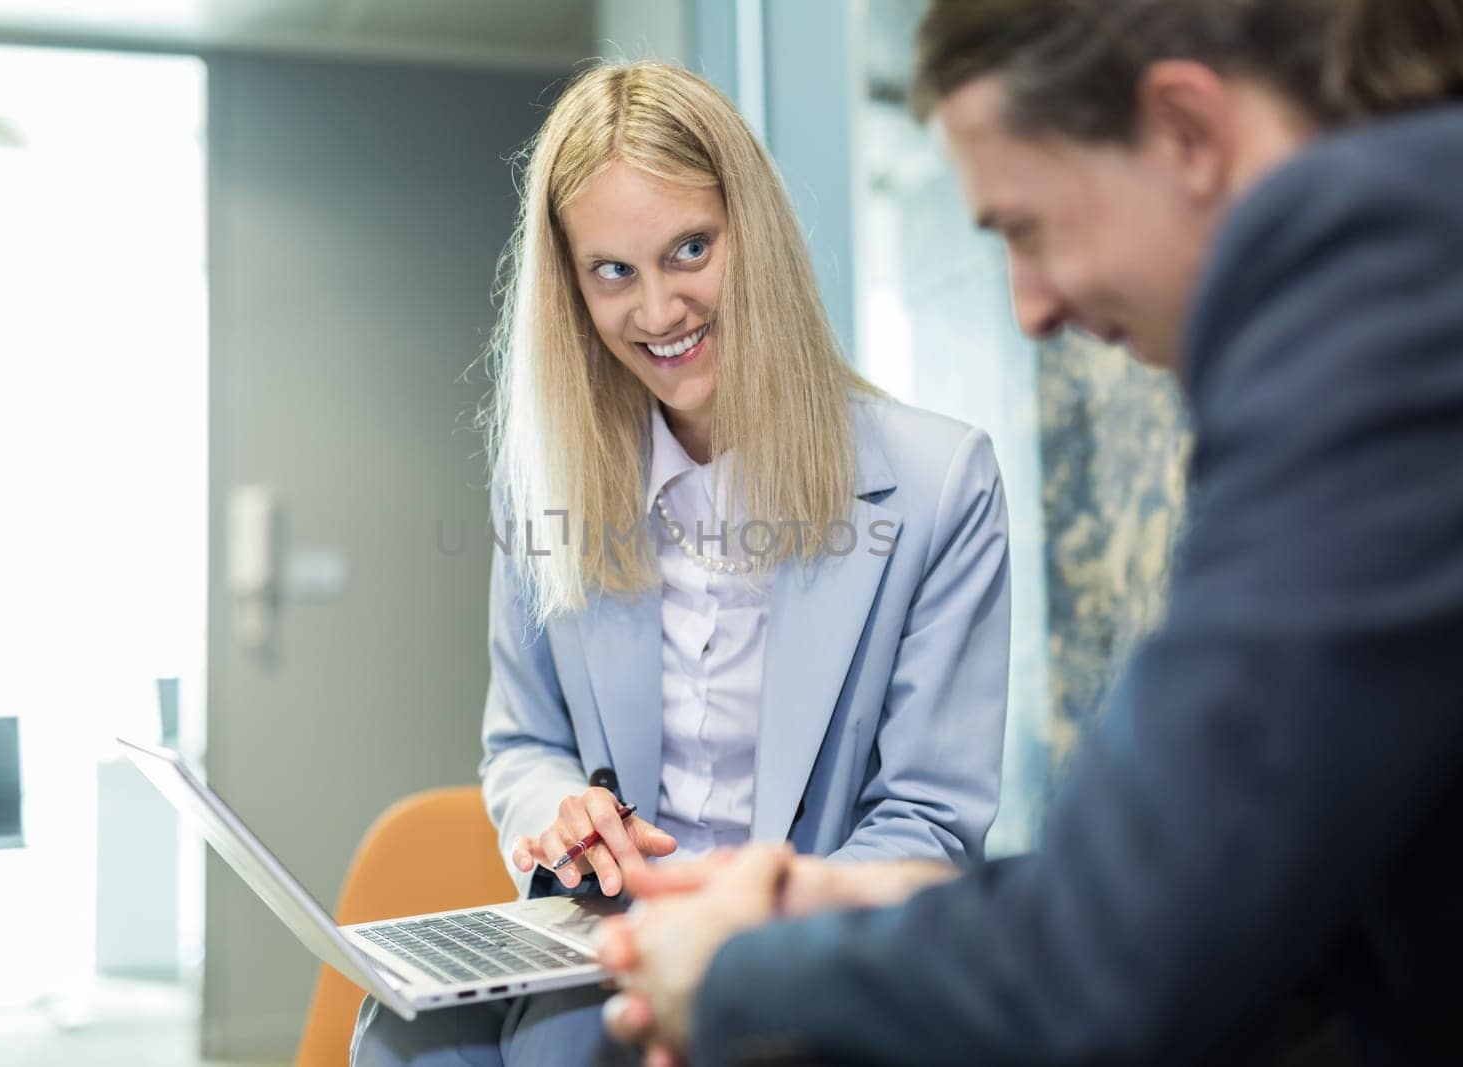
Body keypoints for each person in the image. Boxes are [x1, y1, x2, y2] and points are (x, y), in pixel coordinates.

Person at [600, 1, 1463, 1064]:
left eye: (1024, 228)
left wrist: (734, 975)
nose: (1030, 309)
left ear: (1186, 130)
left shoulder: (1384, 295)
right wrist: (852, 903)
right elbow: (1248, 884)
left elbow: (1115, 959)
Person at [350, 60, 1013, 1066]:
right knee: (410, 1036)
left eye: (689, 249)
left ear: (755, 238)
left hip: (802, 937)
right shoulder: (543, 483)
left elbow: (926, 821)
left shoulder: (939, 483)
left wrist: (747, 917)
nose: (657, 310)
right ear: (569, 287)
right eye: (612, 270)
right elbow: (522, 743)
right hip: (605, 928)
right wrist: (556, 814)